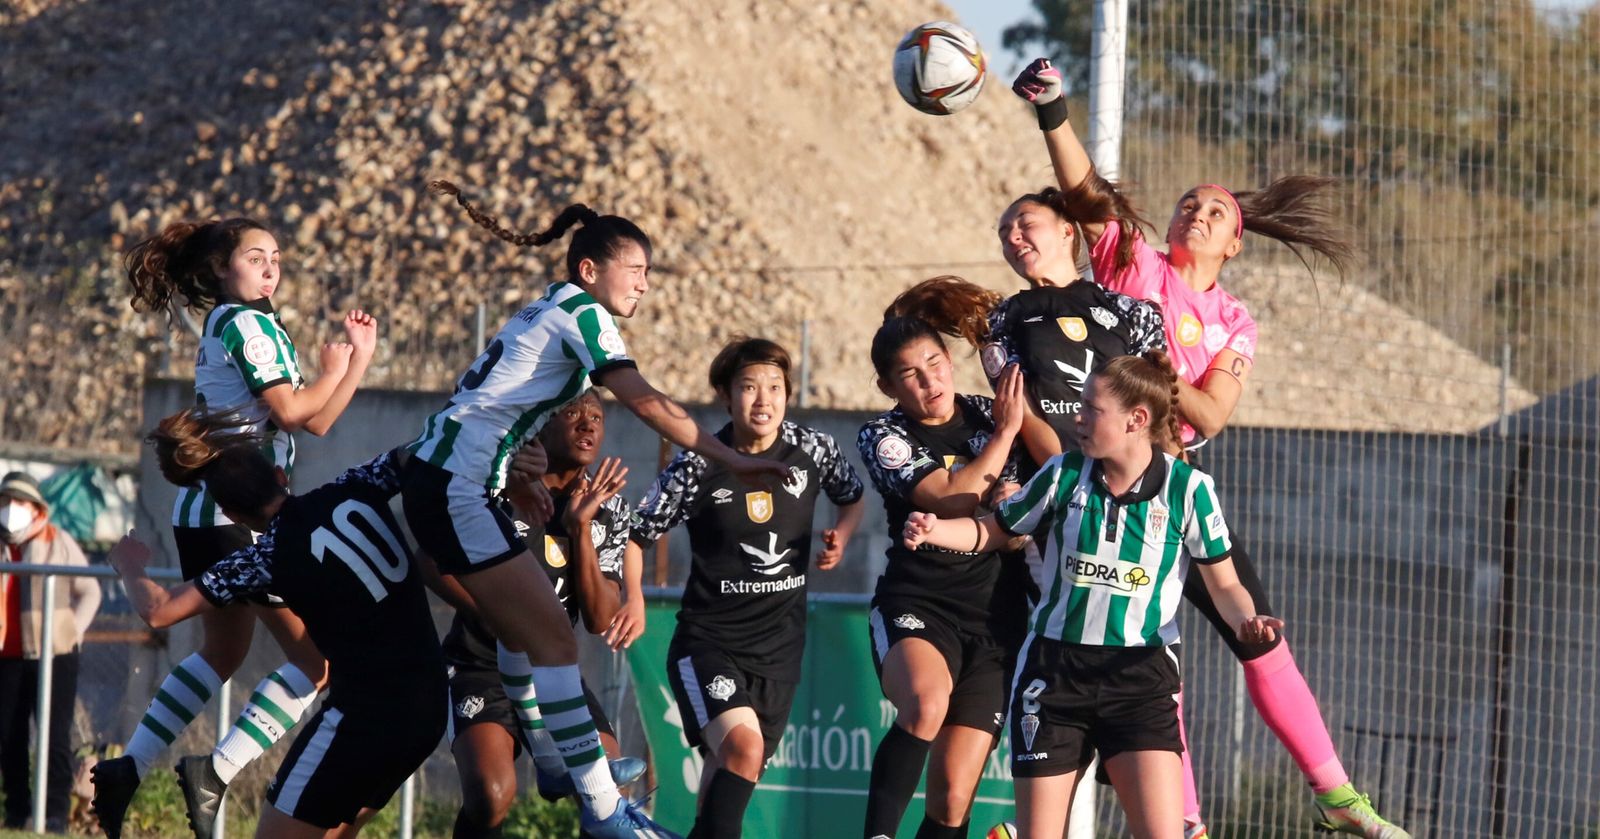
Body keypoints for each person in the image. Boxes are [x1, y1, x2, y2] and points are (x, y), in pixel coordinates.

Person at [1011, 57, 1406, 839]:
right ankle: (1183, 820)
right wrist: (1053, 111)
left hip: (1174, 488)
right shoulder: (1134, 263)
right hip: (1098, 484)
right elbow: (1089, 196)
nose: (1197, 212)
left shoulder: (1233, 321)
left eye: (1217, 212)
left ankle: (1335, 794)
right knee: (1144, 650)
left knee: (1257, 628)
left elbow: (1213, 412)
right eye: (1189, 202)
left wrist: (1157, 369)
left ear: (1237, 243)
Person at [400, 182, 789, 838]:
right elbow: (641, 397)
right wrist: (734, 456)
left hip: (448, 477)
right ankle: (604, 810)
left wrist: (514, 460)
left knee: (539, 628)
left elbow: (496, 402)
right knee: (552, 634)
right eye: (634, 270)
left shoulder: (546, 307)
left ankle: (557, 762)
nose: (643, 285)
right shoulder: (584, 313)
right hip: (453, 486)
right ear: (589, 270)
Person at [903, 353, 1282, 839]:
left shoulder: (1190, 490)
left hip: (1140, 679)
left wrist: (1246, 621)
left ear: (1136, 420)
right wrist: (936, 529)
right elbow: (992, 531)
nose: (1076, 417)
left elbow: (1226, 584)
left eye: (1090, 408)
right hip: (1054, 675)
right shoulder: (1063, 474)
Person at [97, 217, 379, 839]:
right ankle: (216, 771)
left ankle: (130, 768)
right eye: (256, 257)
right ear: (222, 269)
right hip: (237, 517)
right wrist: (335, 367)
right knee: (320, 664)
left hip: (210, 513)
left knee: (222, 654)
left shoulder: (241, 323)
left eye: (277, 255)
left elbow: (318, 424)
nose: (271, 266)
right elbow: (292, 409)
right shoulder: (247, 324)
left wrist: (356, 364)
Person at [106, 408, 446, 839]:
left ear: (233, 514)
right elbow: (421, 453)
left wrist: (130, 568)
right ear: (282, 478)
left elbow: (160, 610)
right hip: (430, 706)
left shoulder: (265, 557)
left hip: (364, 717)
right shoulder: (354, 486)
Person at [625, 337, 865, 839]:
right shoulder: (697, 464)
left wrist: (839, 538)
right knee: (743, 750)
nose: (764, 400)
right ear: (726, 396)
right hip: (709, 644)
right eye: (750, 388)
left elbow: (853, 496)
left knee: (731, 772)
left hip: (779, 651)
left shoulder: (814, 450)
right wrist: (634, 598)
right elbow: (635, 536)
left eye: (775, 388)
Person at [855, 287, 1032, 839]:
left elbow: (1018, 517)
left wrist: (1012, 510)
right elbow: (953, 498)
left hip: (996, 620)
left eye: (935, 364)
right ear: (888, 386)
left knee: (953, 800)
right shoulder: (884, 436)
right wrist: (1004, 437)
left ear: (950, 361)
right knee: (927, 705)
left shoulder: (984, 411)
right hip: (920, 603)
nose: (930, 383)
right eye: (910, 375)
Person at [434, 391, 646, 839]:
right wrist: (500, 618)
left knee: (608, 792)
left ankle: (564, 770)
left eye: (596, 416)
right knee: (491, 796)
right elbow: (428, 561)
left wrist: (581, 531)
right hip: (480, 667)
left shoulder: (609, 508)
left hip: (551, 673)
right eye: (571, 413)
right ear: (541, 427)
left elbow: (599, 618)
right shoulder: (499, 488)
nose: (587, 424)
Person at [0, 472, 102, 832]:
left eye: (20, 501)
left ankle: (53, 813)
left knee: (53, 735)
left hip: (54, 656)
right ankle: (16, 811)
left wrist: (71, 630)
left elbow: (90, 591)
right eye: (6, 500)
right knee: (8, 736)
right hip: (7, 656)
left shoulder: (58, 541)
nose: (12, 509)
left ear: (36, 507)